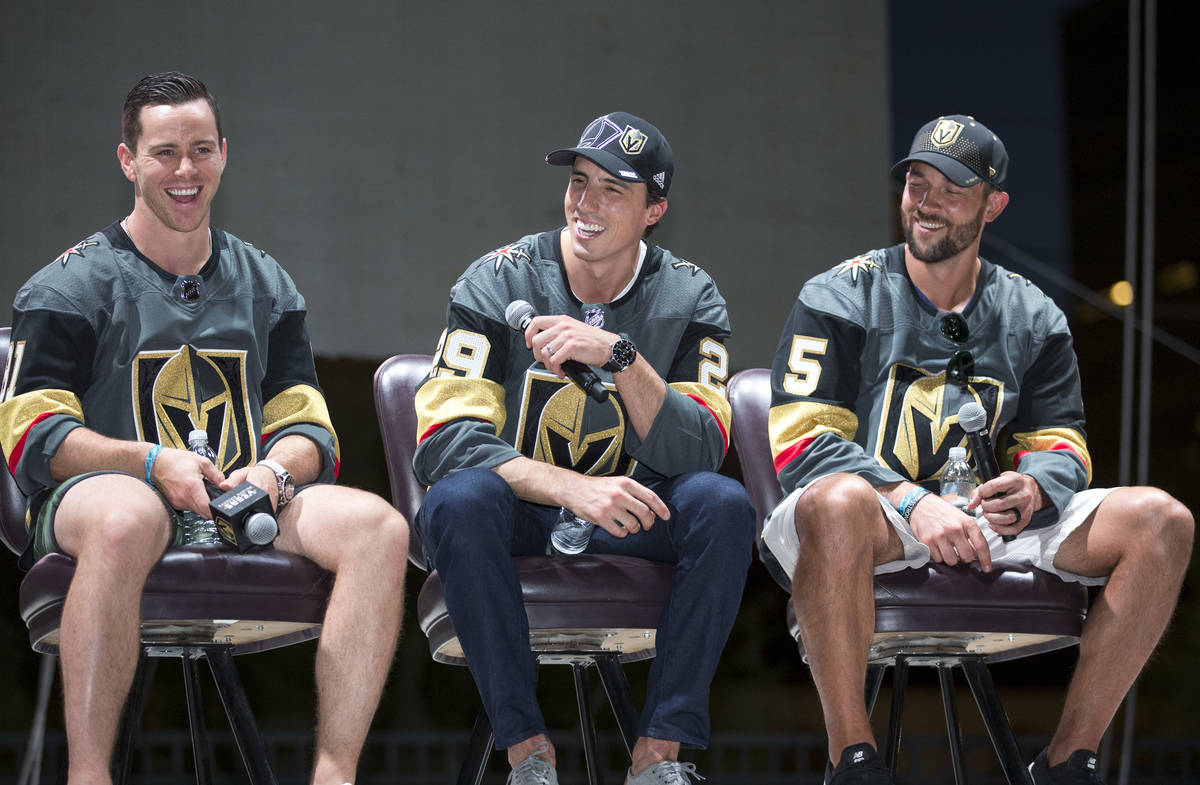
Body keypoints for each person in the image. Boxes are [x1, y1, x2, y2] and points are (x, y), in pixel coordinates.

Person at [0, 72, 409, 785]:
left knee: (381, 528)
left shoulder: (267, 285)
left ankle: (334, 775)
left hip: (231, 508)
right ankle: (88, 776)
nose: (184, 170)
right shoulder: (65, 287)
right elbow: (33, 434)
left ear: (224, 153)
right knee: (127, 515)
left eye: (200, 149)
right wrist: (152, 464)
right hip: (100, 500)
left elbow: (308, 425)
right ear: (127, 160)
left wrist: (271, 474)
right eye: (163, 152)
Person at [762, 115, 1193, 785]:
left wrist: (1037, 486)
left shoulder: (1034, 313)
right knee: (840, 497)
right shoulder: (838, 294)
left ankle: (1066, 760)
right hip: (869, 514)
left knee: (1162, 520)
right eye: (916, 181)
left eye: (951, 189)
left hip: (985, 517)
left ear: (994, 205)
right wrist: (911, 499)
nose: (926, 201)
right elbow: (802, 440)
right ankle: (853, 757)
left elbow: (1062, 439)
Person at [412, 111, 755, 785]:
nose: (585, 204)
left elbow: (703, 447)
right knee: (458, 498)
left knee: (724, 504)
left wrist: (621, 357)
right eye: (579, 182)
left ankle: (660, 756)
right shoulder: (497, 277)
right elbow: (445, 440)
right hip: (524, 514)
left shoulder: (691, 294)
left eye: (612, 190)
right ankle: (527, 751)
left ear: (654, 210)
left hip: (632, 516)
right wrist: (571, 488)